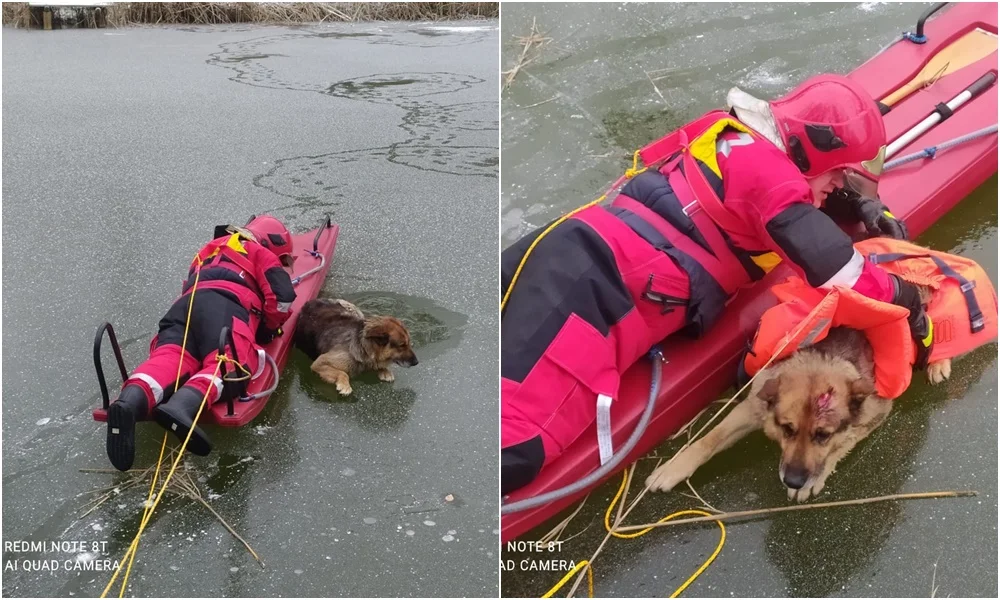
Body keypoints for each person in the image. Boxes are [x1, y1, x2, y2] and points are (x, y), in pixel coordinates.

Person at [500, 74, 934, 495]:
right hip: (598, 291)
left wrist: (857, 202)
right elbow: (840, 270)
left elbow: (776, 198)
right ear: (807, 152)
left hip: (576, 243)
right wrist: (909, 302)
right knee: (516, 447)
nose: (840, 184)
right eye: (838, 175)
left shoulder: (733, 136)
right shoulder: (775, 185)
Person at [105, 215, 298, 471]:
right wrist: (268, 329)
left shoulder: (207, 250)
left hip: (183, 308)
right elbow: (282, 297)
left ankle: (130, 401)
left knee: (170, 358)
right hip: (225, 308)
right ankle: (183, 406)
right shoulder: (258, 251)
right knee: (231, 364)